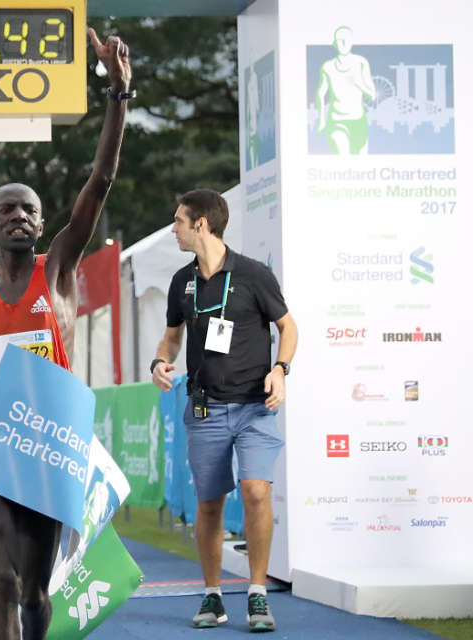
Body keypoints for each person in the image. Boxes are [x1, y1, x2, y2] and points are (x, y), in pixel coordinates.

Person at [0, 28, 131, 640]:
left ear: (44, 223)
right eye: (7, 209)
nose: (19, 216)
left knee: (34, 594)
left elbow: (99, 185)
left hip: (50, 448)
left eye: (29, 209)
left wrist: (116, 96)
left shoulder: (58, 274)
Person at [149, 189, 298, 632]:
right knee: (209, 504)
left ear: (201, 225)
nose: (173, 229)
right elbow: (171, 336)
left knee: (255, 491)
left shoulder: (253, 274)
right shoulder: (182, 281)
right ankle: (212, 594)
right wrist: (160, 360)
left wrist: (281, 369)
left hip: (256, 406)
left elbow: (288, 327)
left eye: (178, 221)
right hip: (205, 407)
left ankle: (256, 595)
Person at [316, 26, 376, 155]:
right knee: (343, 159)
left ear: (351, 41)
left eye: (346, 40)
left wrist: (359, 84)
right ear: (335, 43)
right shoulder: (328, 66)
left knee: (362, 163)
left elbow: (372, 95)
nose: (343, 43)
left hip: (358, 120)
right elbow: (321, 94)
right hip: (337, 120)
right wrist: (321, 119)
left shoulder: (361, 63)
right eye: (339, 40)